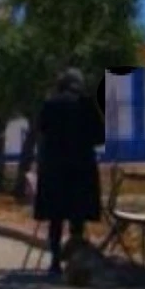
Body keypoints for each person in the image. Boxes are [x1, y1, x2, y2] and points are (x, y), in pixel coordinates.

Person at [34, 68, 105, 275]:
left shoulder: (50, 104)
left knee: (55, 217)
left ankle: (55, 261)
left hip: (54, 168)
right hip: (81, 169)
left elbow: (41, 130)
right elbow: (101, 136)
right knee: (77, 216)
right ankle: (75, 260)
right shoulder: (87, 104)